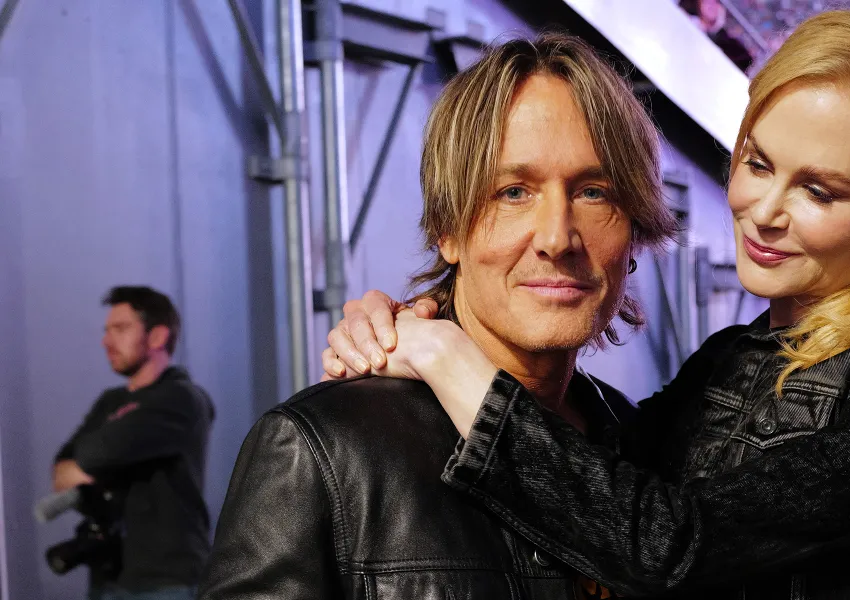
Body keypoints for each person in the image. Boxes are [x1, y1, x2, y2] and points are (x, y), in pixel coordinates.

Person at [324, 11, 850, 599]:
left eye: (818, 191)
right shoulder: (729, 359)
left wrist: (449, 355)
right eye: (758, 164)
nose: (764, 213)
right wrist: (415, 319)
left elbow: (667, 546)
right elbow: (593, 484)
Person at [196, 34, 676, 600]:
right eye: (513, 192)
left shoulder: (649, 453)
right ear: (447, 230)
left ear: (635, 230)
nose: (556, 238)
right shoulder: (321, 448)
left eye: (594, 192)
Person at [54, 286, 214, 600]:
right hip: (108, 577)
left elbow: (96, 453)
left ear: (157, 336)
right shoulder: (110, 401)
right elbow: (62, 469)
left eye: (121, 328)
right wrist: (89, 462)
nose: (107, 341)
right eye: (107, 331)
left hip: (166, 581)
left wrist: (90, 466)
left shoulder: (182, 398)